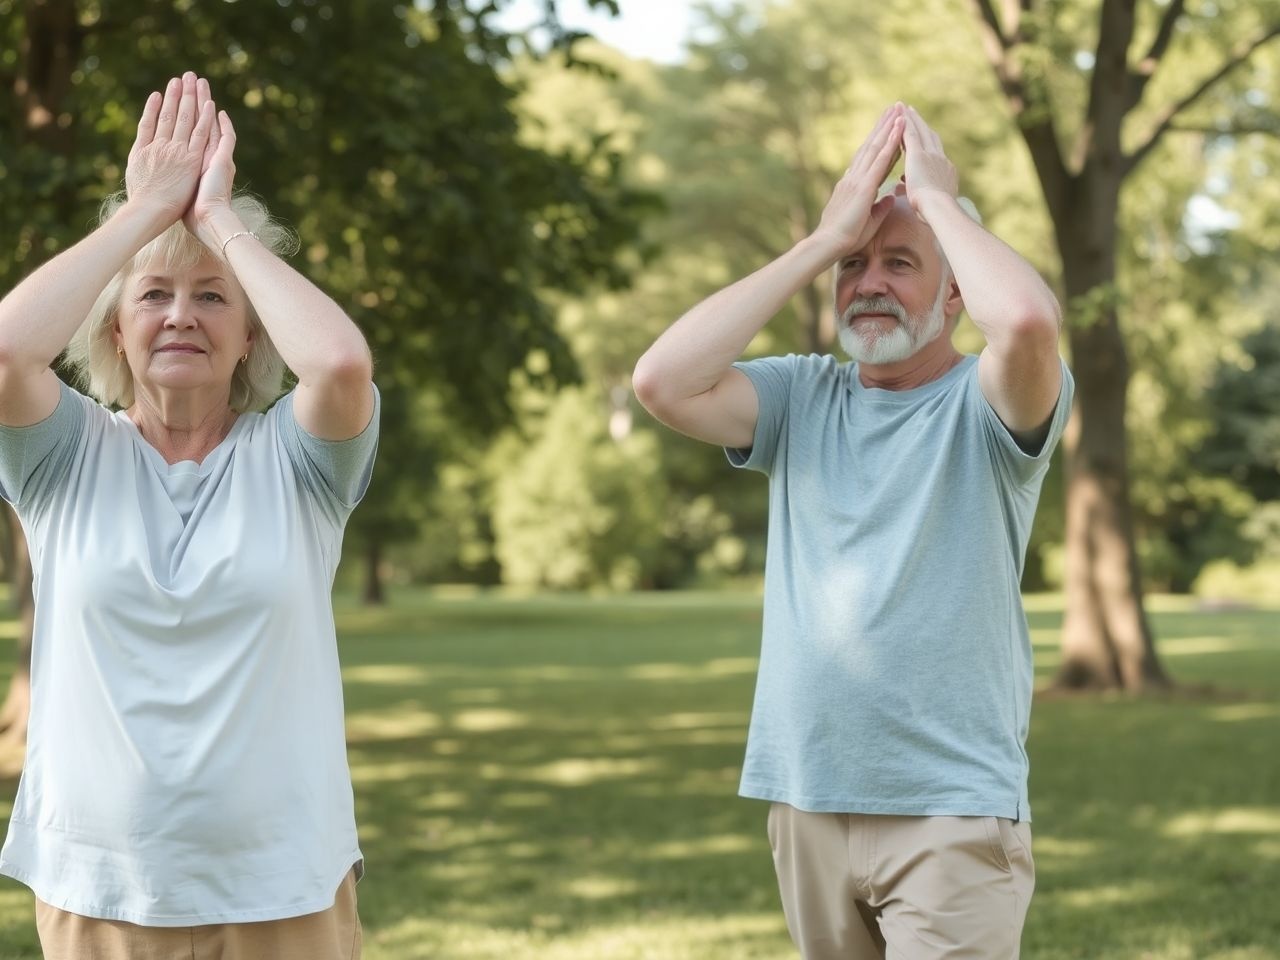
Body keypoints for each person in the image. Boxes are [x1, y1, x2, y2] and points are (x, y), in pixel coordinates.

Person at [632, 102, 1074, 959]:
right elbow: (661, 381)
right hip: (806, 800)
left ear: (955, 292)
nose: (869, 283)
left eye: (900, 263)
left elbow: (1026, 323)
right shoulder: (802, 396)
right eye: (854, 266)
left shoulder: (989, 402)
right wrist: (821, 241)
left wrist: (935, 199)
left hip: (950, 810)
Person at [0, 72, 377, 958]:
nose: (181, 316)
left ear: (252, 336)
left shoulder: (298, 461)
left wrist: (216, 220)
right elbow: (8, 352)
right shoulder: (62, 456)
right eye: (152, 296)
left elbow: (341, 365)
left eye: (212, 296)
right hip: (102, 892)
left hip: (284, 887)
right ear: (114, 331)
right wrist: (144, 213)